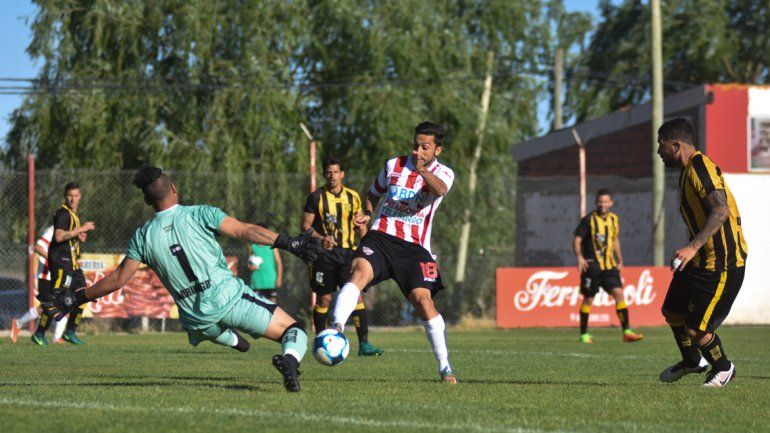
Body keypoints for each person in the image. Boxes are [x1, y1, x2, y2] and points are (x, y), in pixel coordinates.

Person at [43, 166, 323, 392]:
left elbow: (117, 279)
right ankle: (289, 361)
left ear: (146, 201)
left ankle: (234, 341)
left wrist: (75, 297)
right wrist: (289, 242)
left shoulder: (143, 236)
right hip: (230, 300)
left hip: (194, 317)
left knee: (215, 330)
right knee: (294, 330)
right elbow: (243, 230)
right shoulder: (201, 213)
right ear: (174, 188)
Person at [329, 121, 457, 383]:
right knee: (358, 272)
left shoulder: (444, 173)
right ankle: (336, 329)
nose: (418, 151)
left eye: (425, 147)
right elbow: (373, 194)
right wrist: (367, 213)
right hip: (381, 237)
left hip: (414, 248)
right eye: (416, 145)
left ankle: (445, 366)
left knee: (424, 302)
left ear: (437, 150)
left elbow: (440, 190)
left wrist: (422, 170)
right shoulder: (393, 166)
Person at [656, 118, 748, 387]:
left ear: (676, 145)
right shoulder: (686, 171)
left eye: (661, 145)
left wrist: (692, 246)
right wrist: (691, 250)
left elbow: (721, 210)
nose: (659, 152)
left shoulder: (700, 166)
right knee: (672, 312)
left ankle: (723, 367)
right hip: (700, 260)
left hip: (722, 262)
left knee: (696, 329)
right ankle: (692, 361)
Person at [301, 156, 383, 356]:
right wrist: (321, 238)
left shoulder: (353, 197)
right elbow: (305, 226)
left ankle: (364, 344)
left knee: (355, 296)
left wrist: (365, 246)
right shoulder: (316, 197)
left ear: (342, 174)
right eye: (329, 172)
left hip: (348, 255)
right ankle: (320, 342)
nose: (332, 176)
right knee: (324, 299)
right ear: (324, 174)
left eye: (336, 172)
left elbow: (361, 223)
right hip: (323, 255)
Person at [572, 189, 643, 344]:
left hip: (610, 266)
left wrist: (620, 259)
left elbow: (615, 240)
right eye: (600, 202)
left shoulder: (614, 219)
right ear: (596, 203)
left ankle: (627, 331)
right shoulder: (588, 220)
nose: (602, 204)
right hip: (592, 267)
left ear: (610, 203)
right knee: (588, 300)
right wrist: (579, 258)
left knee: (619, 293)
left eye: (605, 202)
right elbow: (577, 240)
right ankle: (584, 334)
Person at [32, 183, 95, 346]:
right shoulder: (62, 214)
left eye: (76, 195)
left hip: (73, 265)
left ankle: (70, 332)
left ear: (80, 196)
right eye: (70, 195)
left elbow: (67, 237)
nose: (73, 199)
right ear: (65, 196)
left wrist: (78, 236)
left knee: (84, 295)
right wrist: (82, 228)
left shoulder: (73, 215)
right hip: (61, 263)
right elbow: (59, 236)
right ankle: (39, 333)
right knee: (57, 299)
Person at [10, 225, 68, 344]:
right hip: (46, 277)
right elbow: (37, 246)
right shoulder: (52, 230)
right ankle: (47, 336)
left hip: (57, 276)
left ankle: (20, 324)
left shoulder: (68, 233)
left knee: (50, 307)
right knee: (50, 307)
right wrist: (52, 259)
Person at [248, 223, 283, 303]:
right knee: (257, 305)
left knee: (272, 305)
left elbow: (278, 262)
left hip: (271, 281)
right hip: (257, 282)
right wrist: (251, 267)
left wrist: (279, 278)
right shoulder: (252, 246)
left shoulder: (272, 245)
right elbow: (249, 263)